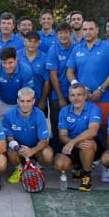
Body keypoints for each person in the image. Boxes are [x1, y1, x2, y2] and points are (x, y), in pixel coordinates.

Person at [66, 19, 109, 134]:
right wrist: (78, 86)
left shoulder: (107, 48)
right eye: (85, 29)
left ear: (97, 30)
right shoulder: (77, 49)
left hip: (103, 98)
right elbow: (69, 72)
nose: (87, 32)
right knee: (84, 133)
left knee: (104, 133)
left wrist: (101, 89)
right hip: (81, 100)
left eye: (91, 29)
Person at [54, 83, 102, 192]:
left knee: (87, 144)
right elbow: (62, 135)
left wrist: (73, 142)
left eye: (79, 95)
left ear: (85, 96)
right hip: (72, 145)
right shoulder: (64, 111)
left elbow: (93, 131)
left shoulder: (93, 109)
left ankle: (86, 176)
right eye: (73, 95)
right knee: (60, 164)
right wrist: (73, 143)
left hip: (89, 145)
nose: (76, 98)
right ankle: (77, 167)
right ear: (69, 97)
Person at [3, 88, 54, 184]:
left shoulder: (39, 114)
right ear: (17, 101)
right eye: (22, 101)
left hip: (36, 147)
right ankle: (19, 169)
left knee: (48, 155)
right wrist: (18, 149)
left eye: (28, 101)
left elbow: (44, 140)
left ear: (33, 101)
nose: (25, 104)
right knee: (11, 152)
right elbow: (9, 138)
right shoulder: (9, 115)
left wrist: (32, 150)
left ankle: (36, 168)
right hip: (19, 147)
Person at [46, 22, 74, 150]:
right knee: (58, 125)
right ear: (56, 35)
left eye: (66, 32)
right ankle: (58, 152)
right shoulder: (53, 49)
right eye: (60, 33)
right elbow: (53, 76)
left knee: (73, 124)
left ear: (70, 33)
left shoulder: (77, 48)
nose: (63, 35)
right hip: (58, 95)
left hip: (76, 93)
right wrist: (61, 97)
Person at [0, 47, 34, 117]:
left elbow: (25, 96)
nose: (7, 66)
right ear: (0, 60)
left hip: (19, 103)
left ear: (16, 59)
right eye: (4, 63)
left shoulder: (26, 70)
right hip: (2, 103)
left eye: (10, 63)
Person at [18, 32, 50, 112]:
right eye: (29, 41)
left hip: (38, 100)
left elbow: (47, 81)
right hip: (20, 101)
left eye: (35, 41)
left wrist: (43, 101)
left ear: (39, 43)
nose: (32, 44)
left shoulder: (45, 58)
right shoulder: (16, 56)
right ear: (24, 41)